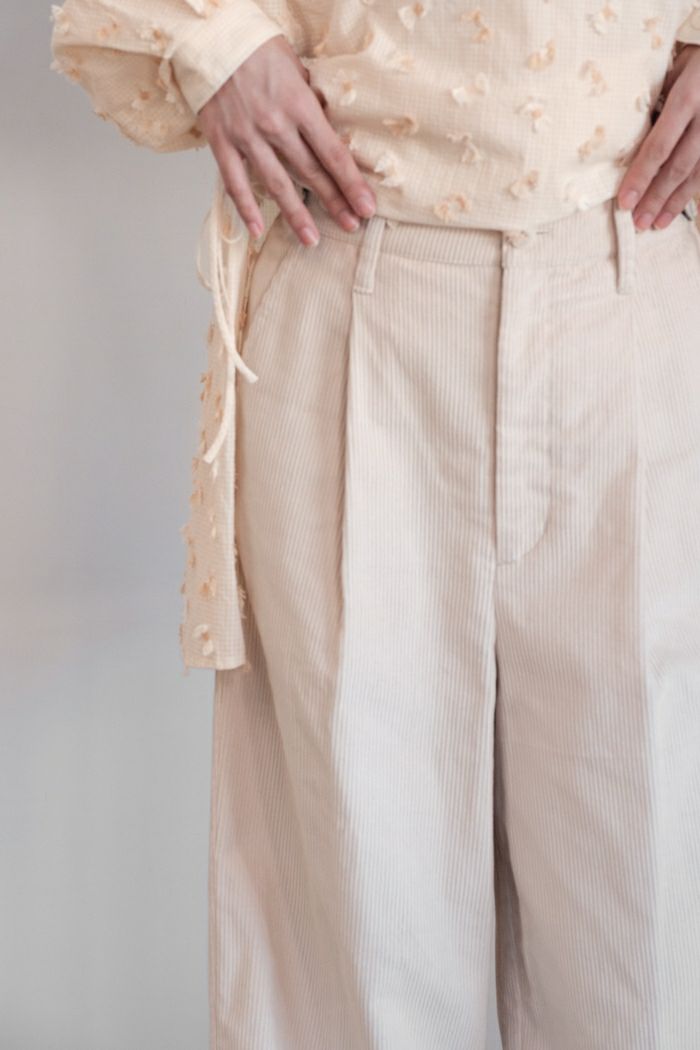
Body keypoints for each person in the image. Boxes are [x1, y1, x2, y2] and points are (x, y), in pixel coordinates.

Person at [50, 3, 700, 1047]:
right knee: (363, 930)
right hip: (353, 277)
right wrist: (209, 36)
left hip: (632, 274)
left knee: (649, 918)